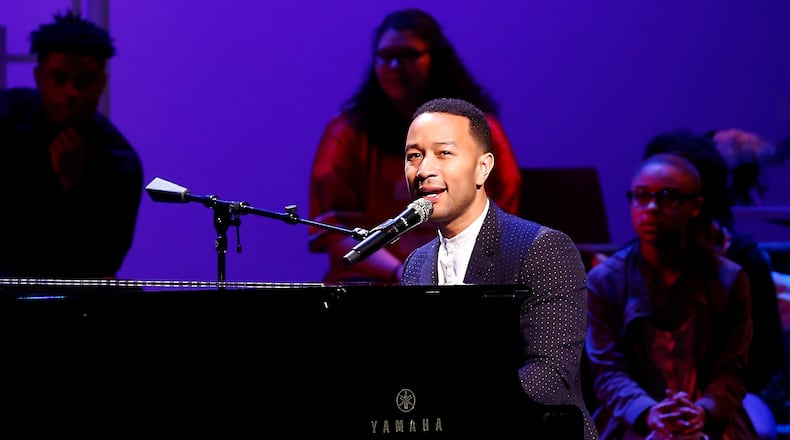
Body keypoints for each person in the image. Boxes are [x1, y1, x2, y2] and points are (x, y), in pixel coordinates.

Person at [399, 97, 597, 440]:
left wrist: (453, 411)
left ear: (483, 168)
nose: (424, 169)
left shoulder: (543, 248)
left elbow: (550, 374)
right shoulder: (416, 264)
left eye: (443, 153)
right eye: (414, 155)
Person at [309, 8, 522, 284]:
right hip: (373, 284)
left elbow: (499, 222)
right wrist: (406, 276)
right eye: (386, 56)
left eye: (408, 55)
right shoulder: (347, 133)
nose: (395, 67)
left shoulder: (480, 130)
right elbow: (334, 232)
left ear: (436, 60)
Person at [586, 153, 758, 439]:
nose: (651, 207)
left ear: (695, 206)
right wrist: (649, 412)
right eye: (641, 196)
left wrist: (702, 411)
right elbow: (608, 372)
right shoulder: (606, 281)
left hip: (711, 419)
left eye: (667, 196)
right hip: (634, 418)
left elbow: (731, 371)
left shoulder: (728, 279)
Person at [642, 130, 784, 439]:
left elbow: (763, 356)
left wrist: (705, 404)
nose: (654, 208)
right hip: (647, 401)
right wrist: (653, 406)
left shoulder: (740, 264)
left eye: (670, 195)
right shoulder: (623, 270)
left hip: (729, 396)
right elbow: (609, 364)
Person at [0, 10, 143, 278]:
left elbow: (103, 263)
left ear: (102, 82)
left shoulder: (118, 162)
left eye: (84, 82)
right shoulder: (6, 118)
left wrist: (75, 186)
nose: (71, 93)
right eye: (60, 80)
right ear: (39, 78)